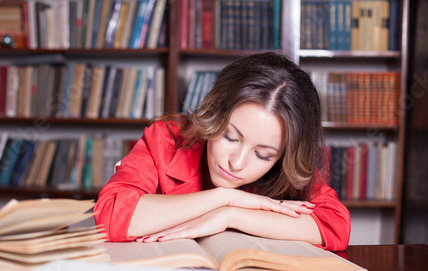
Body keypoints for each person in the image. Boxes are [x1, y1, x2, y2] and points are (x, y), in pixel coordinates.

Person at [93, 52, 350, 251]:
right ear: (214, 112)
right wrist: (225, 198)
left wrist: (231, 215)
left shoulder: (286, 170)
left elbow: (335, 225)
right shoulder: (167, 139)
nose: (237, 163)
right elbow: (109, 217)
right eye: (230, 136)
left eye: (263, 155)